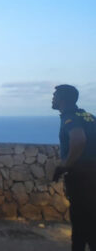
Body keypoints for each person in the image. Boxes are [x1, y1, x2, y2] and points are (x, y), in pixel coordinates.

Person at [51, 84, 96, 251]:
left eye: (55, 96)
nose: (52, 99)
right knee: (91, 222)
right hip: (93, 175)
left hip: (80, 177)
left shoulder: (69, 117)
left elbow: (79, 140)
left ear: (62, 99)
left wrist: (64, 165)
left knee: (79, 223)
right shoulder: (89, 116)